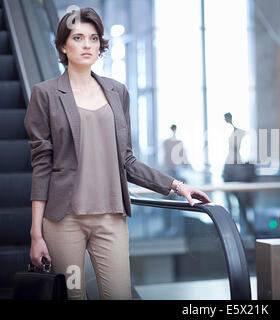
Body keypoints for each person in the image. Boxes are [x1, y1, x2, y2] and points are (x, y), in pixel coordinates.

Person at [24, 7, 211, 300]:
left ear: (101, 46)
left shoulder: (116, 92)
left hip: (111, 219)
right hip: (64, 223)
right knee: (74, 295)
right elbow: (42, 164)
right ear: (63, 45)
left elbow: (128, 160)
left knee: (119, 295)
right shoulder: (45, 94)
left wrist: (177, 186)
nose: (87, 44)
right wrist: (36, 233)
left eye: (94, 38)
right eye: (78, 37)